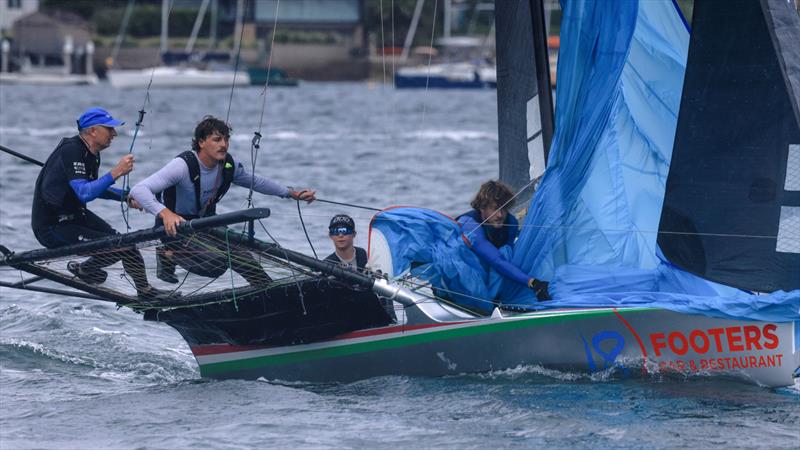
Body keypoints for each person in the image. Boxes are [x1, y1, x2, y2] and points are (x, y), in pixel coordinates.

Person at [130, 115, 316, 286]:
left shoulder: (228, 166)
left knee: (243, 257)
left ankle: (267, 290)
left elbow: (256, 181)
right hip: (175, 228)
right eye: (217, 139)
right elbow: (139, 190)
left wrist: (292, 194)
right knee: (216, 264)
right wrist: (166, 214)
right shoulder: (182, 166)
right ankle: (167, 254)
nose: (224, 144)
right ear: (202, 142)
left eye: (226, 139)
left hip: (206, 224)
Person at [31, 107, 171, 300]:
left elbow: (94, 187)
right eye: (109, 128)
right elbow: (84, 193)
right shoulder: (72, 150)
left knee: (126, 244)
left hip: (76, 217)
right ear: (93, 130)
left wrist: (125, 196)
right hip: (52, 226)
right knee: (115, 247)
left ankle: (145, 292)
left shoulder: (92, 152)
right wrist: (116, 172)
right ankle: (86, 270)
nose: (114, 133)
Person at [457, 180, 549, 301]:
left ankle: (497, 298)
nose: (500, 215)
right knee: (499, 255)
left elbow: (506, 259)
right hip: (462, 280)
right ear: (482, 208)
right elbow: (496, 260)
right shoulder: (470, 224)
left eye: (504, 208)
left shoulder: (511, 223)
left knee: (506, 251)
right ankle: (484, 302)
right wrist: (532, 282)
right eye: (495, 209)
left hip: (491, 271)